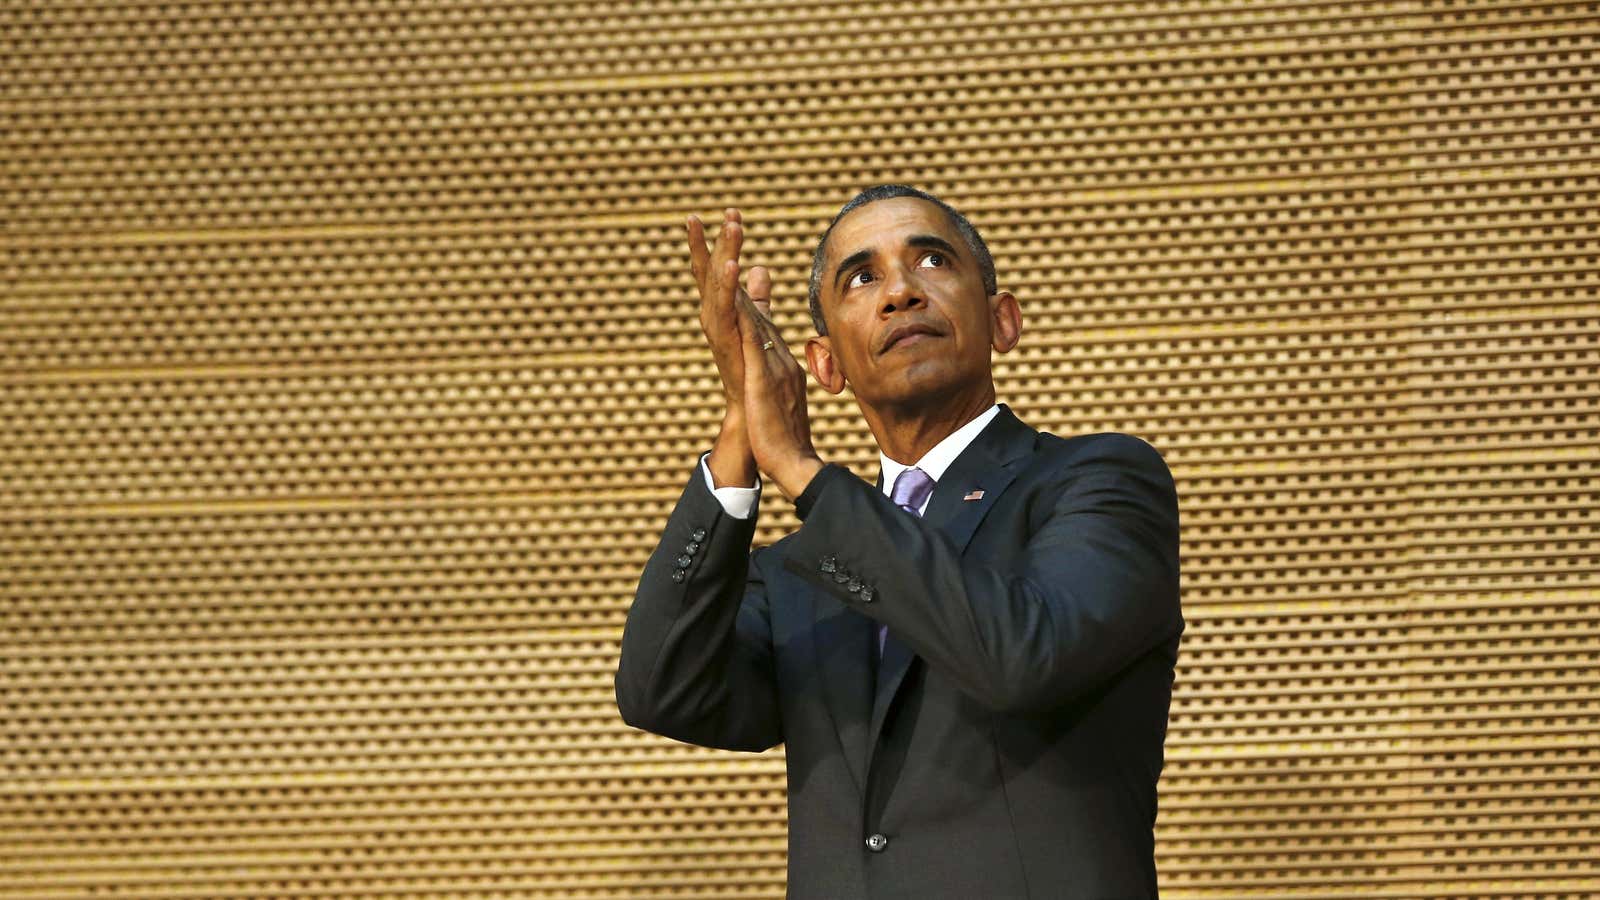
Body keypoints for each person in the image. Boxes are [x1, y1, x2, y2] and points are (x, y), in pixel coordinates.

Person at [615, 184, 1183, 898]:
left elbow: (1023, 657)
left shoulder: (1096, 481)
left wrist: (798, 464)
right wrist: (742, 424)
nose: (900, 294)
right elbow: (662, 689)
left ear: (1002, 321)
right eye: (862, 277)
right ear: (824, 366)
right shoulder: (804, 568)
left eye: (933, 262)